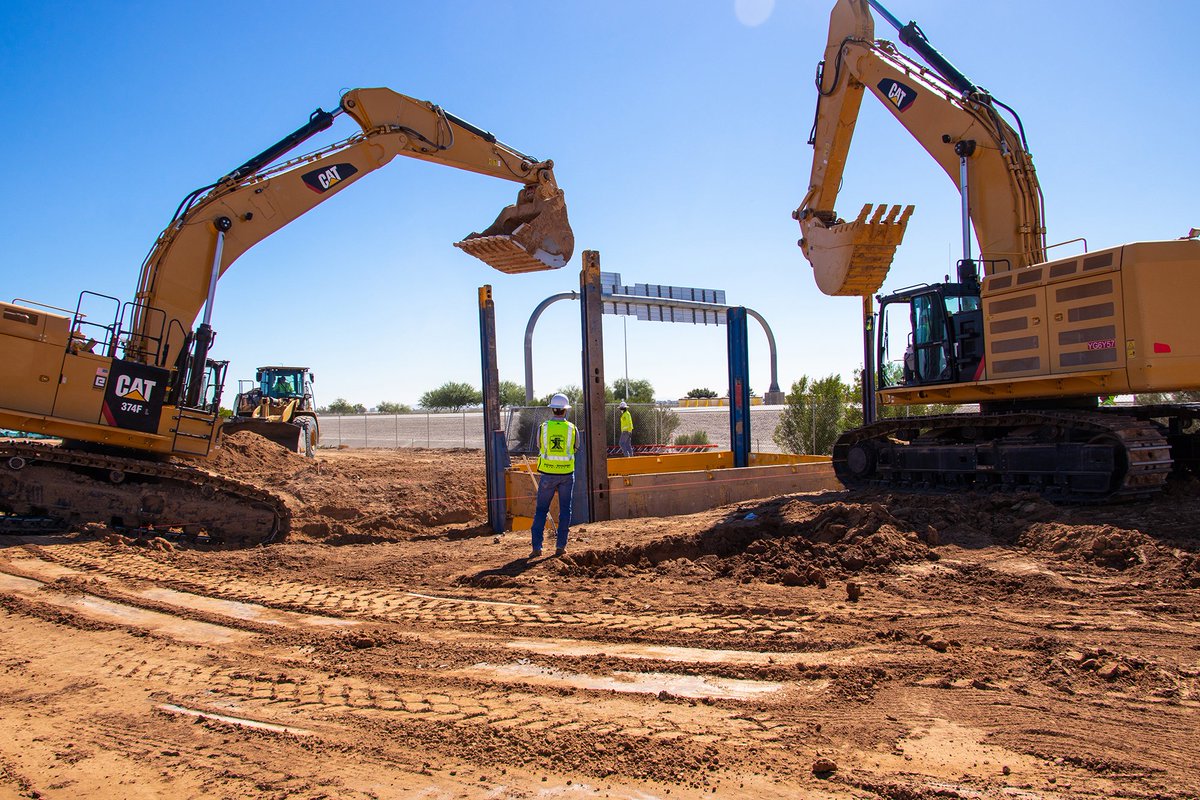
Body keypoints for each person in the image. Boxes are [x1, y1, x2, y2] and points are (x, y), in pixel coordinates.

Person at [530, 393, 579, 558]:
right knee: (565, 510)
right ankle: (561, 546)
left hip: (547, 475)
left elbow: (539, 446)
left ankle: (537, 548)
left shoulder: (543, 428)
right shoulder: (572, 428)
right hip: (566, 474)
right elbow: (576, 447)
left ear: (553, 409)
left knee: (541, 510)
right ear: (565, 410)